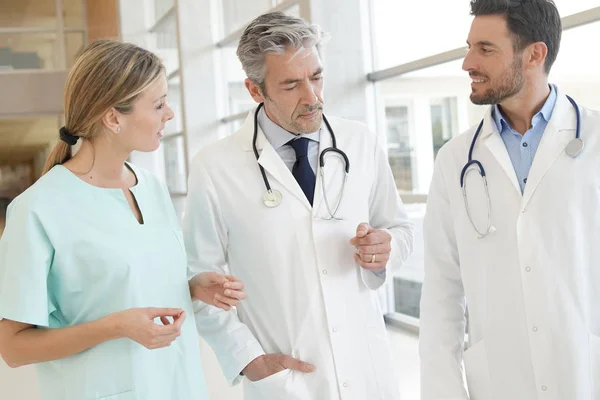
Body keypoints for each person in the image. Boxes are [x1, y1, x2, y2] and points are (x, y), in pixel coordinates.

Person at [183, 11, 414, 400]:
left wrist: (385, 248)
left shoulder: (360, 141)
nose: (312, 97)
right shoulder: (215, 167)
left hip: (366, 369)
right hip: (286, 378)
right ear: (255, 90)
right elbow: (197, 277)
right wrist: (246, 358)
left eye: (317, 77)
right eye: (291, 85)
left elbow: (399, 228)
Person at [0, 40, 246, 400]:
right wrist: (114, 327)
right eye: (159, 104)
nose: (170, 114)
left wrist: (191, 289)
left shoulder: (152, 188)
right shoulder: (38, 209)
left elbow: (130, 287)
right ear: (114, 118)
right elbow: (14, 347)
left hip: (179, 386)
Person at [419, 1, 600, 399]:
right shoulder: (456, 159)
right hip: (501, 380)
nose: (467, 62)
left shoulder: (595, 139)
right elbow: (442, 291)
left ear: (535, 54)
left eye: (485, 49)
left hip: (585, 373)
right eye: (469, 47)